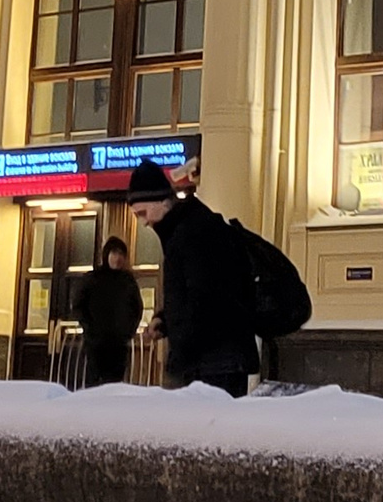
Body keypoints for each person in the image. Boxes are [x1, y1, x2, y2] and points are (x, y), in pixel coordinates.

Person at [123, 160, 259, 395]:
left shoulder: (191, 233)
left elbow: (205, 298)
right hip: (216, 358)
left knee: (203, 428)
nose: (144, 222)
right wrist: (164, 321)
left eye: (142, 213)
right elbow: (195, 292)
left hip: (211, 362)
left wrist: (181, 352)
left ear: (162, 202)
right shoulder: (189, 228)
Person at [72, 235, 143, 389]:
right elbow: (78, 305)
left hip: (119, 345)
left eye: (121, 254)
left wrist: (129, 332)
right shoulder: (92, 279)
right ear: (106, 255)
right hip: (95, 344)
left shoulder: (128, 281)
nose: (118, 258)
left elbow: (137, 308)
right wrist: (89, 329)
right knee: (94, 386)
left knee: (115, 387)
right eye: (114, 253)